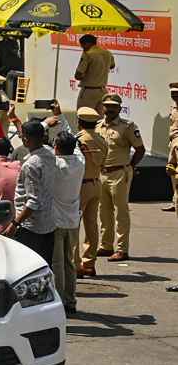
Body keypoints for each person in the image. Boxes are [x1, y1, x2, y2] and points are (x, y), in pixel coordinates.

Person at [96, 94, 145, 262]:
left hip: (119, 173)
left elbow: (140, 149)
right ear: (102, 107)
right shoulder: (98, 126)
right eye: (107, 106)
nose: (109, 109)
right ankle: (106, 245)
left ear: (119, 108)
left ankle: (122, 249)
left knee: (121, 212)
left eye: (113, 106)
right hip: (101, 173)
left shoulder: (128, 126)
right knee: (104, 211)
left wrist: (130, 166)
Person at [3, 120, 57, 265]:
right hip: (49, 223)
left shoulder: (31, 165)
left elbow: (33, 202)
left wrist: (14, 224)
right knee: (44, 265)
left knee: (28, 267)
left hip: (31, 227)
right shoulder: (50, 154)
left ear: (26, 139)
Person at [50, 132, 85, 315]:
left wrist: (48, 122)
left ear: (56, 147)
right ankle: (71, 300)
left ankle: (60, 301)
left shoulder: (54, 165)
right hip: (72, 220)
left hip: (56, 221)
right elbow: (77, 147)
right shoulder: (80, 163)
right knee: (69, 262)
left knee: (57, 263)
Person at [75, 107, 108, 278]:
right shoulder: (101, 139)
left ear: (79, 121)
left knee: (74, 225)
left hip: (81, 185)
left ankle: (75, 264)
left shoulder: (79, 139)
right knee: (91, 225)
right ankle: (89, 263)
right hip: (96, 182)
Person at [75, 34, 115, 113]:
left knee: (83, 118)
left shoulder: (88, 54)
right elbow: (112, 66)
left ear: (87, 43)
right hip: (103, 92)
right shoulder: (108, 53)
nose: (82, 48)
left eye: (82, 45)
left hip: (88, 92)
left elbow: (78, 75)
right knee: (100, 121)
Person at [163, 82, 178, 213]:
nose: (174, 95)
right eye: (172, 93)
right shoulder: (174, 106)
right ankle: (175, 200)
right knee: (172, 172)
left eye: (176, 93)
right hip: (173, 143)